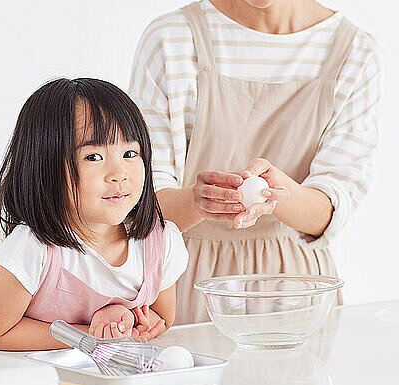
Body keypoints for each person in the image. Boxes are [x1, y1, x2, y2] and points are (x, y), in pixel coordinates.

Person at [129, 0, 382, 324]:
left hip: (297, 291)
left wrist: (280, 195)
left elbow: (331, 208)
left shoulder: (354, 52)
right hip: (185, 280)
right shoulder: (171, 39)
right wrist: (199, 201)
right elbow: (141, 196)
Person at [0, 78, 189, 351]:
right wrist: (89, 334)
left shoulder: (160, 243)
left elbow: (161, 319)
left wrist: (124, 320)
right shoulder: (33, 247)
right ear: (45, 168)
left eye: (130, 153)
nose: (119, 173)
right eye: (93, 157)